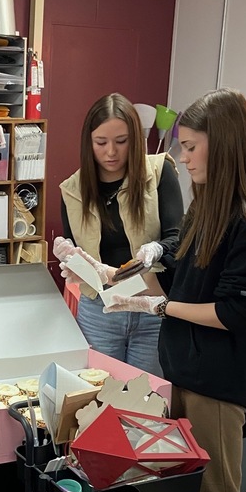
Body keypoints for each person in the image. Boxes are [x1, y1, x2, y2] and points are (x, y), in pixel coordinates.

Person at [100, 88, 246, 492]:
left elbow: (233, 313)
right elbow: (182, 267)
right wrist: (134, 265)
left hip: (218, 383)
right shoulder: (209, 207)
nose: (184, 158)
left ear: (225, 144)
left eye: (191, 147)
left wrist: (159, 308)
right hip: (187, 373)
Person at [55, 93, 183, 375]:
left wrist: (156, 249)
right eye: (101, 143)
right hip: (100, 310)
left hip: (151, 305)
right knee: (99, 392)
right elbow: (78, 255)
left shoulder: (159, 172)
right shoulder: (73, 190)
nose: (111, 152)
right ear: (88, 142)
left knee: (147, 394)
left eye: (121, 141)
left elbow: (177, 240)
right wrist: (68, 257)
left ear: (135, 139)